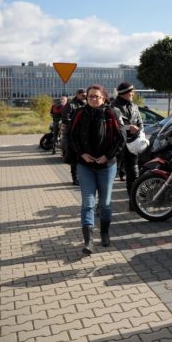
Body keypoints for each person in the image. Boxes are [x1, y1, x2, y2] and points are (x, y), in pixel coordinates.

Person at [69, 84, 125, 255]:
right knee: (88, 203)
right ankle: (88, 241)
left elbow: (121, 139)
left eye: (97, 96)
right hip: (85, 165)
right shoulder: (79, 113)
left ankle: (104, 233)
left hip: (106, 166)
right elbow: (71, 136)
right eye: (90, 96)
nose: (93, 99)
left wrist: (107, 156)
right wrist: (82, 154)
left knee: (105, 203)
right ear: (86, 98)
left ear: (104, 98)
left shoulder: (112, 113)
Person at [111, 82, 143, 196]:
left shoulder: (135, 106)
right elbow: (113, 126)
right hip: (117, 145)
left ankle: (133, 200)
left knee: (134, 174)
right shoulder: (113, 107)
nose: (133, 94)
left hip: (132, 145)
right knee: (110, 174)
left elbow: (140, 123)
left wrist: (139, 131)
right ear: (124, 93)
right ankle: (103, 202)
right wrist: (129, 127)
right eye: (131, 92)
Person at [60, 88, 87, 185]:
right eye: (83, 95)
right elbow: (65, 118)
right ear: (78, 95)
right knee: (74, 156)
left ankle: (83, 177)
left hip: (84, 135)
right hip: (73, 134)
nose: (84, 97)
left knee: (84, 157)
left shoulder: (86, 104)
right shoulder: (71, 105)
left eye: (85, 95)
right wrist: (77, 123)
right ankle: (75, 178)